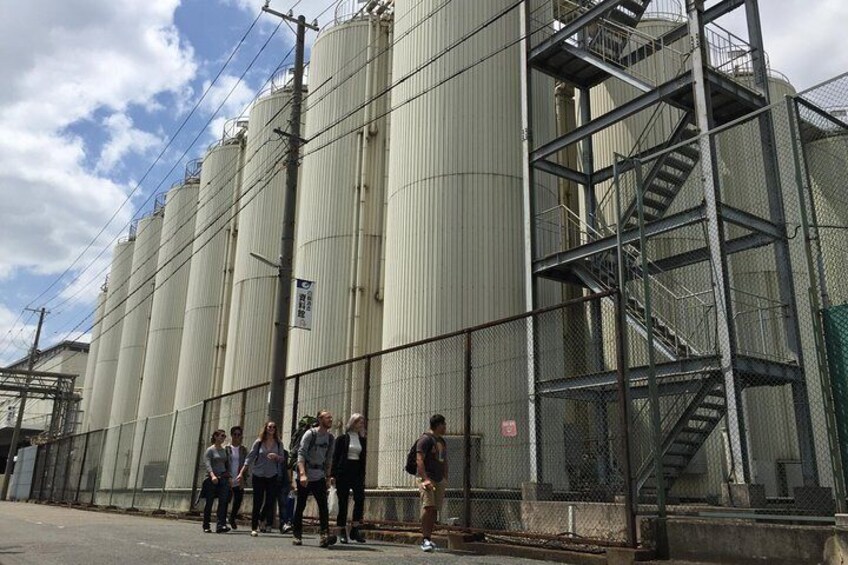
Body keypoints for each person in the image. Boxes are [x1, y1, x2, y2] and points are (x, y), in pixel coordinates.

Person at [292, 409, 336, 548]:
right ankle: (297, 534)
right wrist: (302, 474)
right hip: (306, 474)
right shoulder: (310, 434)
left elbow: (329, 458)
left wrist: (328, 477)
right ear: (320, 419)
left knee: (323, 506)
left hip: (319, 476)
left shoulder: (330, 438)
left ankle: (324, 535)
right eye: (327, 417)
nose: (330, 420)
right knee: (301, 505)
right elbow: (301, 453)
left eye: (331, 417)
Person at [238, 421, 285, 537]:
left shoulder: (278, 443)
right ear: (266, 428)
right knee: (257, 501)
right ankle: (254, 527)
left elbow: (282, 458)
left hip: (272, 474)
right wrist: (241, 473)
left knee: (270, 500)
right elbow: (250, 458)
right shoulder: (259, 442)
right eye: (270, 427)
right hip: (258, 475)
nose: (272, 429)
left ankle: (261, 518)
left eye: (274, 427)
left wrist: (276, 457)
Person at [331, 413, 367, 544]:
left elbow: (362, 458)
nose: (361, 424)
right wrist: (333, 474)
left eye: (362, 422)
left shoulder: (362, 439)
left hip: (356, 471)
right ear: (352, 423)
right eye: (359, 422)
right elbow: (335, 457)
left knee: (360, 498)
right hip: (343, 472)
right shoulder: (342, 439)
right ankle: (342, 531)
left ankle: (355, 529)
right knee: (343, 502)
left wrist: (363, 474)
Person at [416, 414, 447, 552]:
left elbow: (444, 459)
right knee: (428, 507)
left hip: (439, 479)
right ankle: (424, 539)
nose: (445, 427)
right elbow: (419, 459)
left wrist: (446, 476)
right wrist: (425, 478)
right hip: (427, 478)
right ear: (438, 425)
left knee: (434, 509)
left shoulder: (442, 441)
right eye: (443, 424)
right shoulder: (425, 440)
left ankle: (429, 537)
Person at [202, 429, 232, 534]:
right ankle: (206, 525)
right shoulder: (210, 450)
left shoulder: (224, 450)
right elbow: (207, 464)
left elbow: (227, 463)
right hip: (212, 479)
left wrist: (229, 476)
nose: (223, 438)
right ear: (215, 437)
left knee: (223, 502)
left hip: (223, 478)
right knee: (209, 502)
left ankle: (221, 524)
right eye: (221, 436)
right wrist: (212, 475)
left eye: (224, 436)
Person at [226, 425, 248, 530]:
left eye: (239, 435)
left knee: (238, 500)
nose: (236, 436)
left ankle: (232, 517)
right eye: (234, 434)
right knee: (226, 499)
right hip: (228, 478)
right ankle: (222, 520)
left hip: (239, 478)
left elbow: (246, 464)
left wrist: (244, 477)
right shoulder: (226, 449)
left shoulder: (243, 450)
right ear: (231, 435)